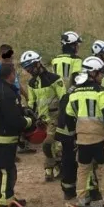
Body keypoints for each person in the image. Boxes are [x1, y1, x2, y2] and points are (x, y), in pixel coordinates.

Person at [66, 57, 104, 207]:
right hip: (100, 139)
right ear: (93, 73)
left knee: (83, 170)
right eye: (100, 73)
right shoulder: (101, 92)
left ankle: (82, 203)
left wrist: (73, 136)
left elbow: (69, 116)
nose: (102, 77)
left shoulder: (74, 93)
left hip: (82, 139)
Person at [0, 62, 35, 207]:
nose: (16, 76)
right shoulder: (7, 94)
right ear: (10, 75)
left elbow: (9, 111)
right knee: (5, 172)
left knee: (9, 169)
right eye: (15, 73)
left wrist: (23, 110)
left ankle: (10, 198)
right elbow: (14, 121)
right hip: (1, 140)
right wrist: (30, 121)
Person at [20, 50, 66, 182]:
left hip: (55, 118)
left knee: (49, 144)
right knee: (52, 146)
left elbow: (63, 98)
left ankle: (54, 165)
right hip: (42, 120)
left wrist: (63, 117)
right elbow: (32, 103)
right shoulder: (32, 83)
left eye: (30, 67)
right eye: (26, 69)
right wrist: (29, 112)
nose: (29, 71)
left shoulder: (54, 79)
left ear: (38, 64)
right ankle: (52, 168)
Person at [55, 73, 81, 201]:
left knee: (67, 161)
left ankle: (68, 190)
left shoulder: (66, 95)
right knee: (77, 161)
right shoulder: (77, 95)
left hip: (64, 133)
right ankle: (81, 190)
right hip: (72, 133)